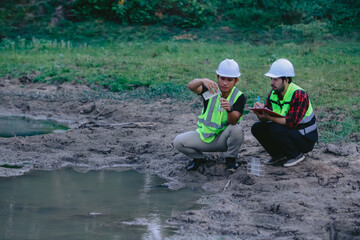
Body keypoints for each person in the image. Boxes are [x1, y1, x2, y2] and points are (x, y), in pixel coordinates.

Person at [173, 59, 246, 172]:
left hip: (224, 140)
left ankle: (231, 159)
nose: (224, 83)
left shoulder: (239, 96)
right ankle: (200, 159)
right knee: (178, 142)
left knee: (236, 129)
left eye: (229, 80)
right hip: (204, 137)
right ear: (217, 77)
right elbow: (191, 86)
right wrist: (202, 80)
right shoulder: (211, 90)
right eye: (222, 78)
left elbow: (233, 121)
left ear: (236, 81)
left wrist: (229, 110)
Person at [251, 58, 318, 167]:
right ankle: (278, 156)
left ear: (286, 80)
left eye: (275, 79)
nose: (272, 82)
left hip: (305, 138)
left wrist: (269, 117)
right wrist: (260, 113)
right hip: (287, 132)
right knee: (257, 127)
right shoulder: (273, 93)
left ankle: (295, 155)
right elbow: (265, 119)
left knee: (274, 127)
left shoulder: (299, 94)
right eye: (271, 78)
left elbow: (291, 122)